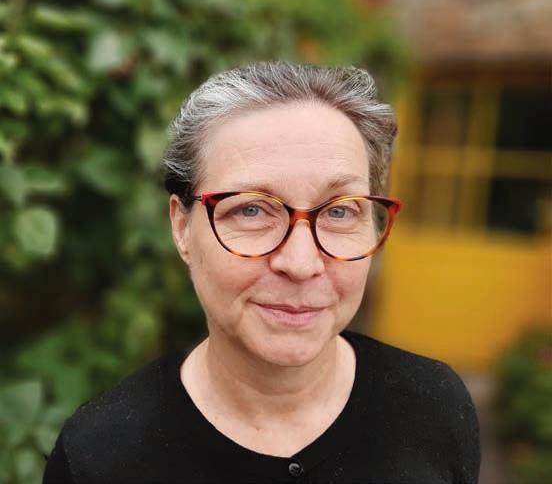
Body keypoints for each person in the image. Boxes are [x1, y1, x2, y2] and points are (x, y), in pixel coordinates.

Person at [43, 61, 480, 483]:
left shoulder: (434, 408)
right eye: (251, 210)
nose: (301, 264)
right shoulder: (101, 457)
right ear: (182, 228)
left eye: (340, 211)